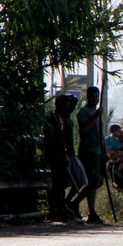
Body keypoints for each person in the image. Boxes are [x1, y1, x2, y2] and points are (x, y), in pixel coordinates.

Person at [43, 94, 79, 222]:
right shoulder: (52, 118)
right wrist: (58, 153)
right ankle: (55, 209)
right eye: (64, 103)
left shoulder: (63, 118)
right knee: (56, 183)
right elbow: (52, 138)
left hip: (62, 155)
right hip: (54, 156)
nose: (66, 106)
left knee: (61, 183)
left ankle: (60, 207)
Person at [72, 86, 105, 224]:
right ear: (87, 97)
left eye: (96, 96)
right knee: (91, 181)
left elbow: (101, 134)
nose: (95, 99)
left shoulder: (97, 113)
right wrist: (95, 116)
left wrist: (105, 151)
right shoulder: (84, 112)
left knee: (98, 182)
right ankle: (73, 203)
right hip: (87, 151)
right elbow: (84, 129)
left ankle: (92, 212)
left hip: (97, 151)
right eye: (92, 96)